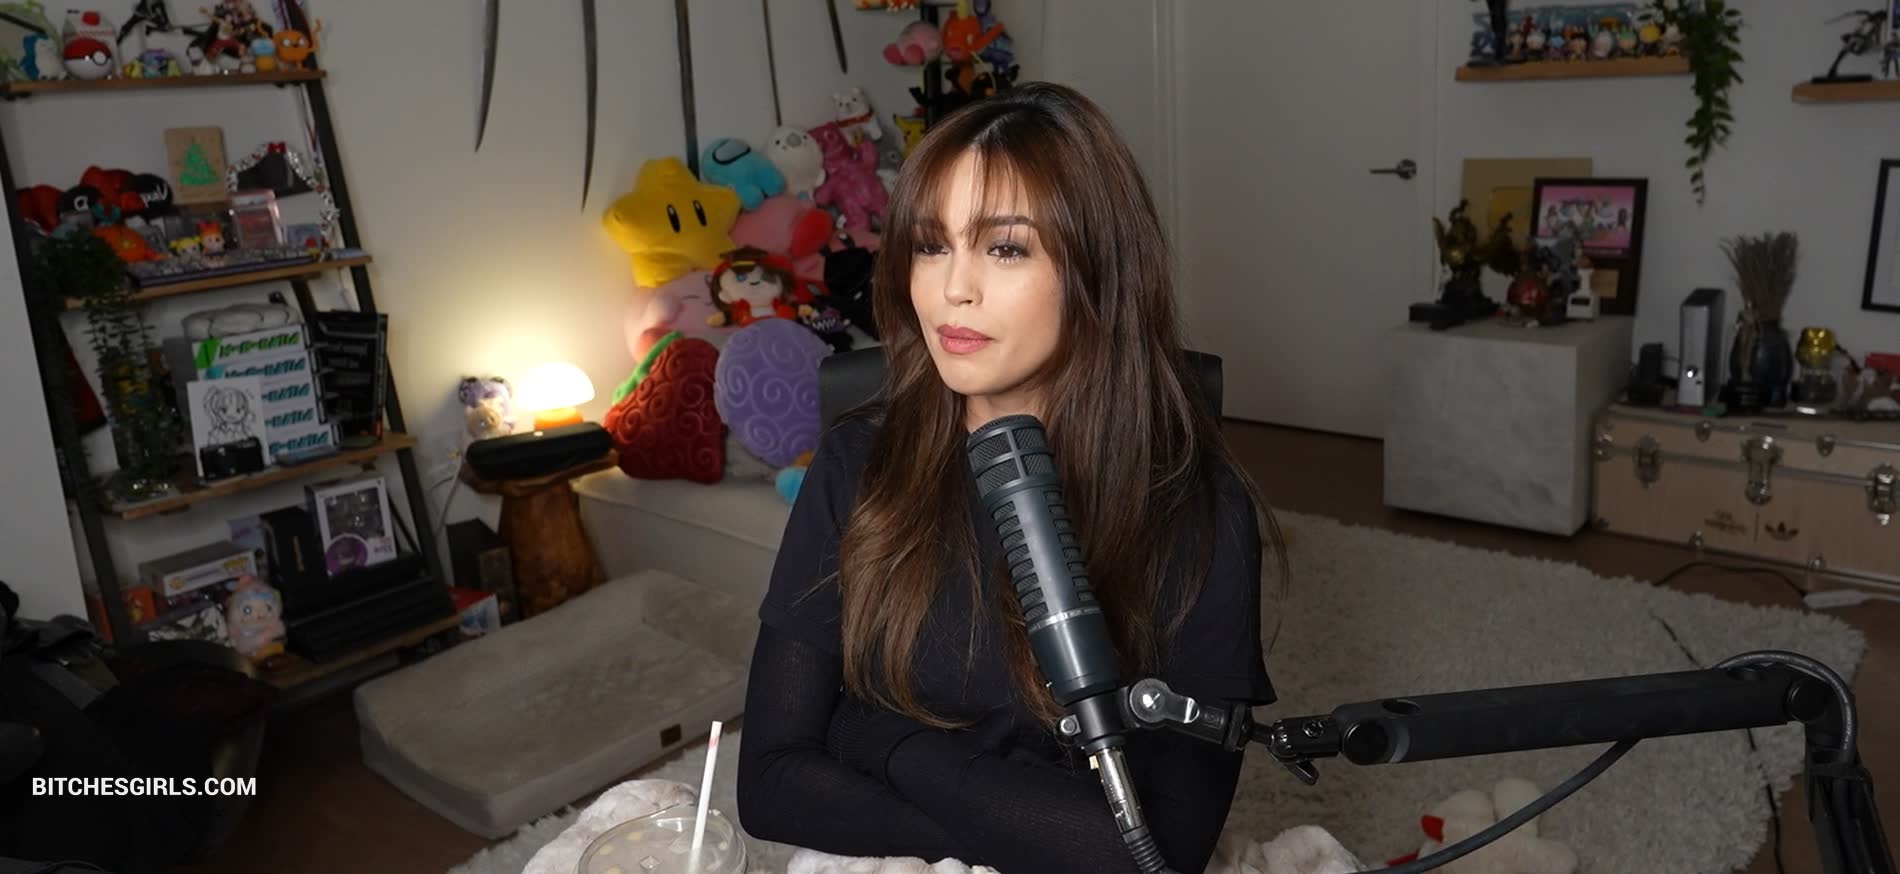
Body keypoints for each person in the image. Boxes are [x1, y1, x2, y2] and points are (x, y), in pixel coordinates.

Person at [735, 82, 1287, 874]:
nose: (952, 289)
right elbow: (770, 784)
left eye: (1005, 248)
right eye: (931, 245)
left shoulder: (1198, 511)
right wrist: (1027, 827)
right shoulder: (860, 461)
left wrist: (876, 738)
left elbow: (1150, 854)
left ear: (1098, 270)